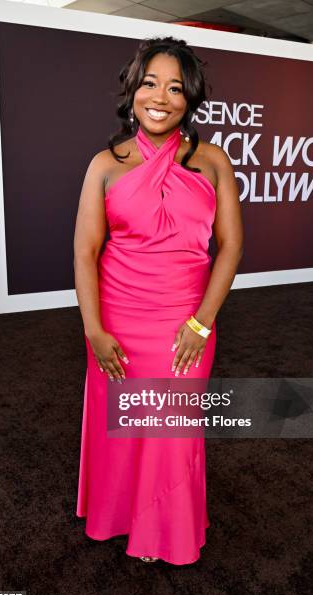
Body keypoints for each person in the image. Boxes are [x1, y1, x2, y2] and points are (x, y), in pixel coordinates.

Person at [74, 36, 243, 565]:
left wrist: (201, 324)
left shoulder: (213, 161)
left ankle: (163, 529)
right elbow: (85, 252)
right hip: (118, 322)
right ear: (132, 90)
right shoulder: (105, 164)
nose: (161, 97)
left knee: (172, 433)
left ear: (190, 98)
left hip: (186, 323)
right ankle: (121, 516)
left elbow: (231, 246)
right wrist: (94, 331)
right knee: (123, 428)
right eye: (151, 83)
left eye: (176, 87)